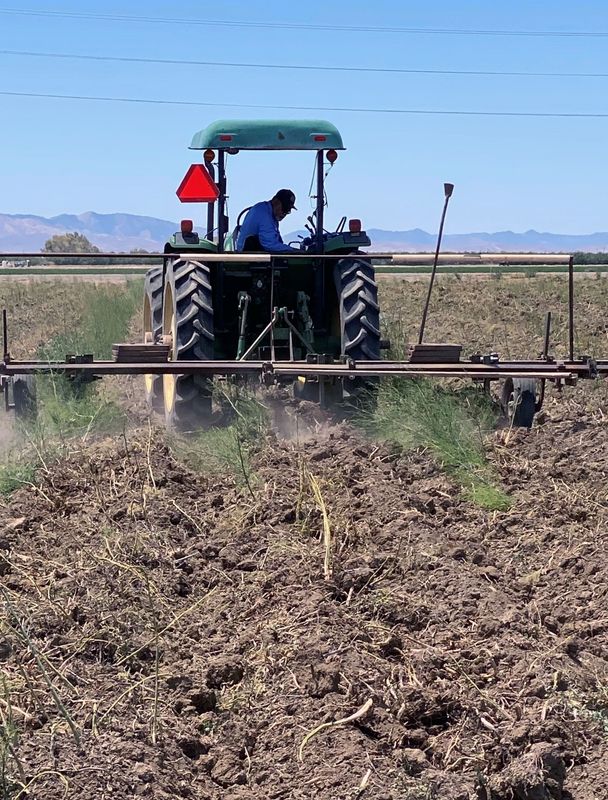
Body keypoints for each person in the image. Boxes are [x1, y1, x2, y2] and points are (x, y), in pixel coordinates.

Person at [236, 189, 300, 253]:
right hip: (248, 256)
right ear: (275, 201)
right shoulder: (264, 214)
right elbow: (270, 245)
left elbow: (276, 241)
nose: (285, 213)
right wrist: (293, 250)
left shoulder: (269, 214)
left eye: (288, 210)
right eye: (285, 208)